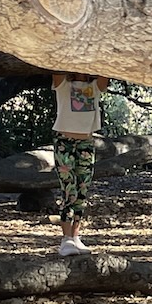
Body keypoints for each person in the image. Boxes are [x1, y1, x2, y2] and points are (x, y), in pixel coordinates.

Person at [51, 73, 109, 256]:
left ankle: (75, 237)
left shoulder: (96, 86)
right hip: (64, 142)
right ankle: (65, 239)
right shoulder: (63, 85)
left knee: (82, 191)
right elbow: (57, 67)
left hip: (86, 143)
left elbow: (105, 70)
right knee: (69, 190)